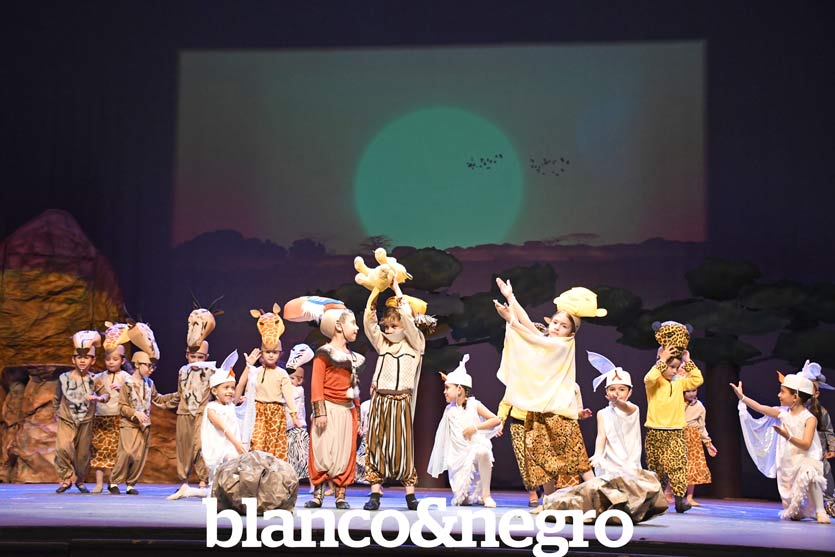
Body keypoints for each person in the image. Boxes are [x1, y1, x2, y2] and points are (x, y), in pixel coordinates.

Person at [493, 281, 604, 511]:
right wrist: (511, 297)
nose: (556, 327)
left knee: (579, 460)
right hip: (541, 413)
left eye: (563, 326)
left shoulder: (562, 345)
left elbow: (528, 334)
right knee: (542, 461)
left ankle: (600, 499)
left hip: (559, 415)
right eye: (554, 322)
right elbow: (528, 325)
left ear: (571, 333)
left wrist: (510, 319)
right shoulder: (549, 342)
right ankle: (549, 503)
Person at [542, 351, 667, 523]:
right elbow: (601, 436)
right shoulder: (602, 413)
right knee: (604, 494)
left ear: (629, 392)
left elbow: (624, 407)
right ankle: (591, 512)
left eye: (622, 389)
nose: (617, 393)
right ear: (606, 391)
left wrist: (617, 402)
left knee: (628, 496)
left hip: (628, 463)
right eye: (612, 389)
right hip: (608, 462)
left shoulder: (633, 409)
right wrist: (598, 454)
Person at [362, 277, 434, 511]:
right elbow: (369, 324)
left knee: (402, 447)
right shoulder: (383, 344)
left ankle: (410, 495)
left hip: (401, 401)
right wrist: (375, 293)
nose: (389, 330)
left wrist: (396, 288)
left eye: (394, 326)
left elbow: (409, 322)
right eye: (387, 326)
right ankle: (375, 492)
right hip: (380, 400)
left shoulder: (416, 344)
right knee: (376, 445)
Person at [732, 373, 830, 523]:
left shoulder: (809, 418)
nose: (779, 395)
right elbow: (760, 408)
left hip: (806, 456)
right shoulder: (782, 413)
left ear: (795, 397)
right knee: (794, 513)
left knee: (810, 473)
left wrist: (787, 436)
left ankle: (820, 510)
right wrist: (742, 397)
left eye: (782, 392)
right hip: (789, 458)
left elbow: (806, 444)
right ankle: (799, 510)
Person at [303, 303, 364, 509]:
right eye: (353, 323)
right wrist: (319, 412)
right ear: (338, 326)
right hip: (327, 408)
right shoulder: (324, 353)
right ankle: (318, 495)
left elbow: (354, 388)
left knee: (343, 453)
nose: (357, 328)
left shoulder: (353, 358)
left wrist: (357, 416)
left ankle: (340, 495)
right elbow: (316, 384)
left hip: (346, 410)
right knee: (322, 450)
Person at [428, 355, 501, 507]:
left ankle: (486, 495)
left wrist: (475, 428)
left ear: (460, 389)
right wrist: (450, 381)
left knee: (483, 452)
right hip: (457, 457)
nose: (444, 392)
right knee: (463, 501)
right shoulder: (449, 410)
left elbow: (495, 420)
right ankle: (465, 491)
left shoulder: (474, 405)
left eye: (447, 388)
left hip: (473, 450)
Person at [234, 306, 303, 461]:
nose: (271, 355)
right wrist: (248, 365)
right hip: (258, 412)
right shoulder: (256, 371)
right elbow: (244, 386)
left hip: (276, 413)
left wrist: (294, 416)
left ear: (280, 354)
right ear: (262, 354)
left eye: (274, 352)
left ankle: (272, 475)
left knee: (274, 449)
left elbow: (289, 397)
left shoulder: (282, 374)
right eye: (268, 352)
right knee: (257, 445)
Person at [644, 343, 704, 513]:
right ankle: (654, 501)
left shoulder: (679, 383)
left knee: (678, 466)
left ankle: (679, 501)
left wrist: (688, 361)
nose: (674, 371)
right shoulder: (655, 382)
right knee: (657, 469)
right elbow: (648, 378)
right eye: (671, 367)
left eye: (677, 368)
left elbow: (697, 380)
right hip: (656, 431)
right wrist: (662, 359)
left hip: (676, 431)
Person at [110, 350, 177, 494]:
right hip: (129, 424)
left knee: (139, 456)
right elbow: (122, 406)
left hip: (144, 425)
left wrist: (176, 395)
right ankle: (114, 481)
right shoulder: (127, 384)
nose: (151, 370)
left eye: (153, 367)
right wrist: (135, 413)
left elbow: (158, 399)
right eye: (148, 366)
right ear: (137, 364)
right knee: (126, 452)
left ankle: (131, 484)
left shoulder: (149, 383)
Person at [54, 331, 110, 494]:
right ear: (73, 359)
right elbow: (57, 397)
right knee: (62, 448)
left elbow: (106, 394)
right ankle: (66, 478)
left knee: (82, 455)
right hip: (67, 419)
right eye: (79, 357)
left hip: (85, 421)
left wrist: (99, 398)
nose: (83, 360)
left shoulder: (95, 379)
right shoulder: (64, 377)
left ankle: (79, 480)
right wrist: (56, 412)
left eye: (86, 357)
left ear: (93, 360)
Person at [171, 339, 212, 496]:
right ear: (187, 355)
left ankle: (203, 480)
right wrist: (164, 401)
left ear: (206, 357)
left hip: (202, 413)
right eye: (193, 357)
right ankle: (184, 481)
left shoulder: (211, 372)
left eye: (200, 357)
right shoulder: (183, 371)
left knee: (201, 445)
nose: (196, 361)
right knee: (184, 447)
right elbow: (180, 393)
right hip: (184, 412)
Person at [90, 344, 131, 493]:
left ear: (122, 360)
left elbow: (134, 394)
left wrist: (123, 389)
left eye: (115, 359)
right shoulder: (98, 377)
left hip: (118, 417)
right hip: (101, 418)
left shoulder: (126, 377)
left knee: (116, 451)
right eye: (108, 359)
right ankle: (99, 484)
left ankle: (114, 482)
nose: (111, 362)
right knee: (99, 450)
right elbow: (90, 390)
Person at [683, 387, 718, 506]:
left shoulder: (699, 406)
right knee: (674, 465)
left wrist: (708, 444)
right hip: (678, 435)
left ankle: (689, 497)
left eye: (694, 390)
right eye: (688, 391)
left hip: (692, 437)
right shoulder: (677, 403)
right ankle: (668, 492)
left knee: (693, 467)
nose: (691, 394)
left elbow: (702, 427)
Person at [285, 344, 314, 483]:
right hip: (288, 427)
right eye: (289, 378)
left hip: (298, 426)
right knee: (291, 457)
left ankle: (313, 484)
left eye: (293, 379)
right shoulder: (287, 389)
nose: (289, 381)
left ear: (300, 380)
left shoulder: (298, 390)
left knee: (304, 456)